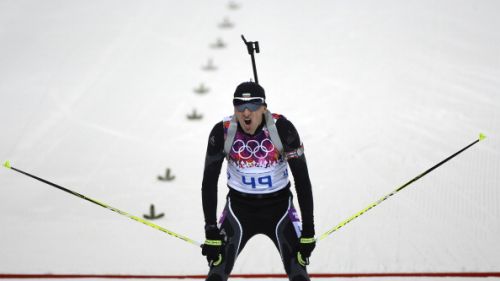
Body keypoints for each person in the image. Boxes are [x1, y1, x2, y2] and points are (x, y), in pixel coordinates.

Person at [201, 81, 315, 281]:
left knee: (299, 275)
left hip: (280, 210)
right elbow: (209, 183)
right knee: (215, 276)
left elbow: (303, 180)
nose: (246, 113)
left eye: (253, 106)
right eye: (240, 106)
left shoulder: (283, 129)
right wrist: (211, 230)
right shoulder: (223, 131)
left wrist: (308, 230)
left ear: (264, 108)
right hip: (238, 210)